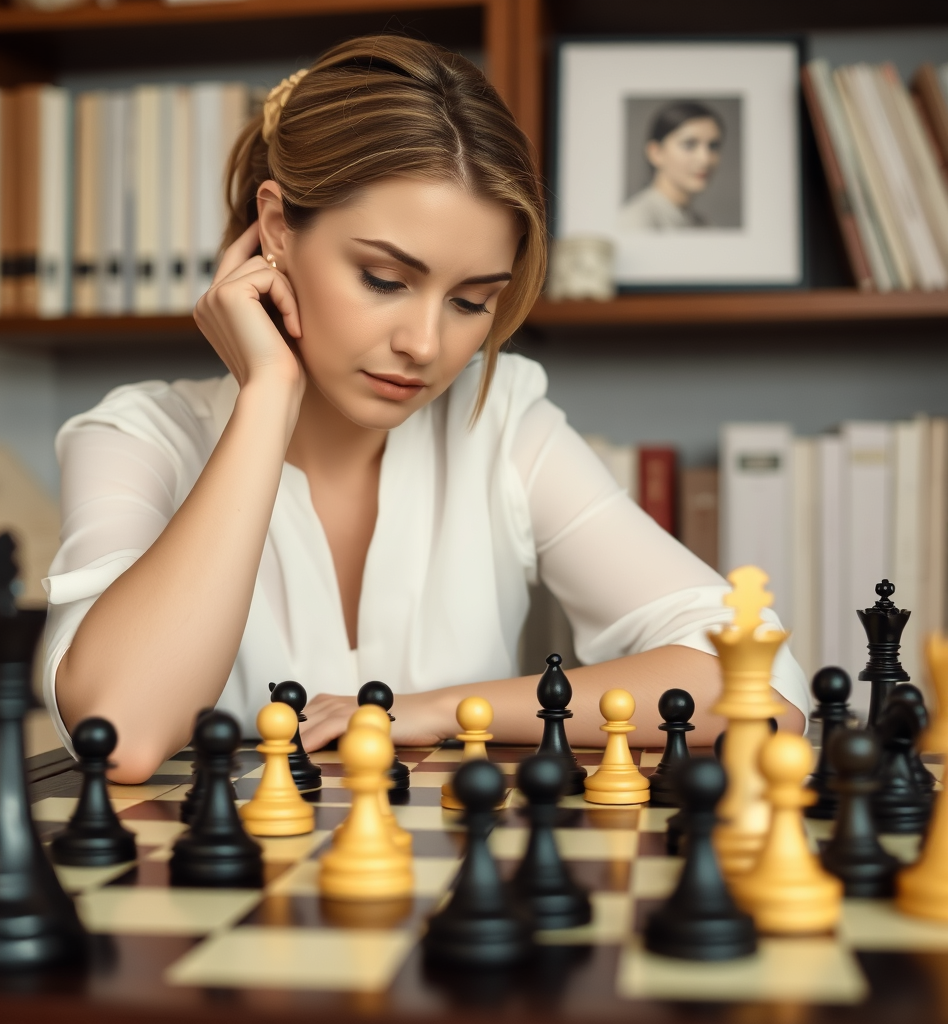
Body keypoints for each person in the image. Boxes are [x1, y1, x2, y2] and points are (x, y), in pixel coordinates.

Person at [42, 38, 806, 783]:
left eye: (473, 300)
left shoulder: (500, 421)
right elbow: (123, 737)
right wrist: (267, 394)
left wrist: (442, 710)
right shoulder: (135, 439)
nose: (427, 344)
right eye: (383, 278)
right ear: (276, 229)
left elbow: (764, 694)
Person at [617, 100, 724, 231]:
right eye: (689, 144)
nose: (705, 159)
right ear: (656, 153)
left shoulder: (705, 227)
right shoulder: (634, 222)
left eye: (713, 146)